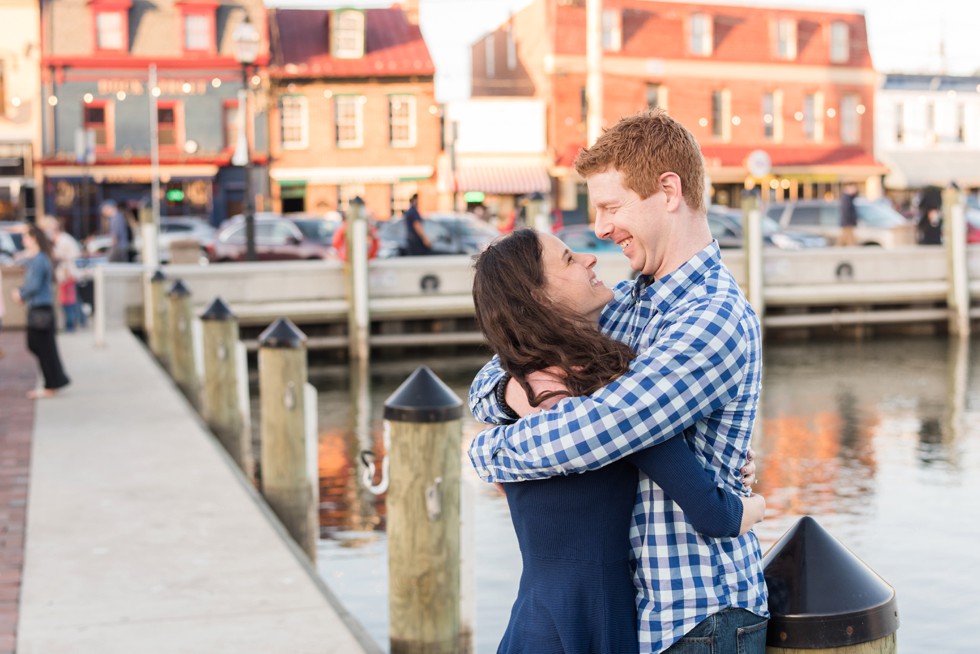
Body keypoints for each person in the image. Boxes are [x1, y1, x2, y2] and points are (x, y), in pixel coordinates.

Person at [468, 109, 768, 653]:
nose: (601, 229)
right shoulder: (626, 304)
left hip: (698, 616)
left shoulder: (712, 317)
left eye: (611, 206)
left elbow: (603, 427)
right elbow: (513, 358)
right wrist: (513, 394)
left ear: (668, 191)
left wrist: (488, 451)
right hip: (640, 614)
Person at [10, 225, 70, 399]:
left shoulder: (39, 259)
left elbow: (34, 285)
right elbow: (22, 262)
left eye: (26, 237)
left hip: (40, 308)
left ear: (34, 238)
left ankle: (52, 384)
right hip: (40, 307)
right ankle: (55, 381)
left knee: (42, 346)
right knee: (43, 346)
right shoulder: (38, 258)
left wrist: (20, 294)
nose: (23, 240)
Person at [43, 216, 86, 331]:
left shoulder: (64, 240)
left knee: (69, 301)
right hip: (64, 274)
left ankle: (71, 324)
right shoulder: (55, 240)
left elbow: (72, 256)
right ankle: (81, 321)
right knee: (73, 299)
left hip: (68, 274)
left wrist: (60, 257)